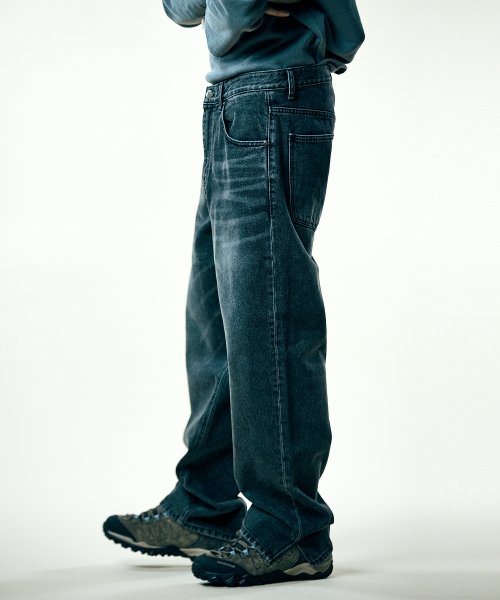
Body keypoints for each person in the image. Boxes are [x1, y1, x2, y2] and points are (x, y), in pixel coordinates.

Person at [103, 0, 365, 587]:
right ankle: (206, 502)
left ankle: (292, 525)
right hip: (236, 99)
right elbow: (182, 9)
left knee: (267, 317)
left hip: (272, 93)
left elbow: (233, 14)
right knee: (219, 319)